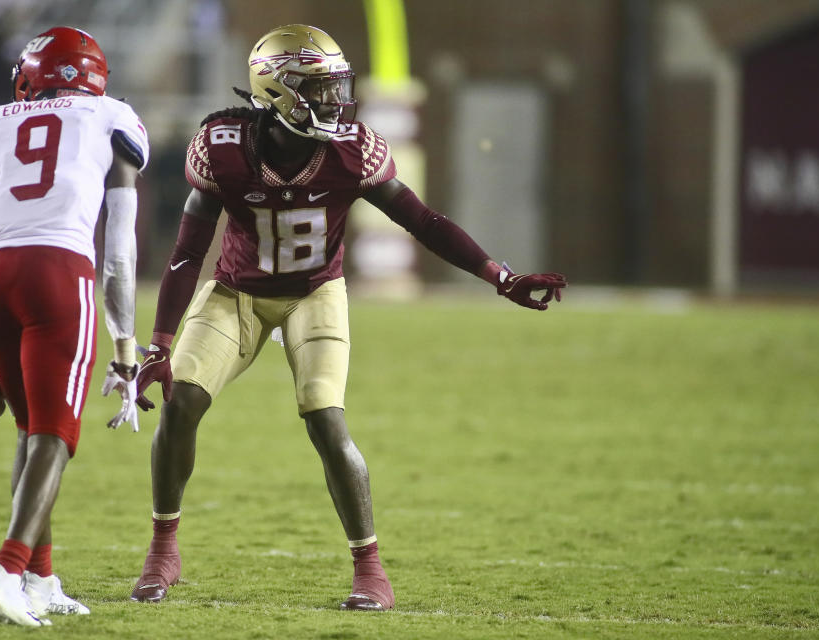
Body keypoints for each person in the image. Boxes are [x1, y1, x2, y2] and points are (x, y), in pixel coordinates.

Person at [128, 24, 566, 612]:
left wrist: (499, 276)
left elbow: (423, 221)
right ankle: (162, 550)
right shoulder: (223, 143)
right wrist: (159, 342)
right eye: (319, 88)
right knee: (182, 401)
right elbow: (186, 250)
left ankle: (370, 568)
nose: (335, 101)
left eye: (336, 86)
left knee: (325, 418)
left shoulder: (351, 147)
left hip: (315, 293)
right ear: (277, 92)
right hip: (236, 293)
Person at [0, 26, 149, 626]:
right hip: (60, 272)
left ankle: (40, 578)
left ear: (30, 75)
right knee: (56, 433)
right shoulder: (111, 117)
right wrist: (125, 345)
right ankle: (6, 574)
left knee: (30, 426)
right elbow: (118, 254)